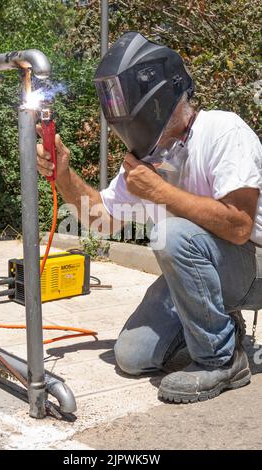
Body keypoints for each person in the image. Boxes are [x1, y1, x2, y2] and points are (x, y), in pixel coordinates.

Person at [36, 32, 262, 403]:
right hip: (200, 268)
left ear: (163, 98)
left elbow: (239, 226)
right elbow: (102, 219)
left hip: (254, 266)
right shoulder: (149, 158)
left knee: (170, 234)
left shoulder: (224, 131)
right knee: (132, 356)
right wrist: (63, 174)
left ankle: (220, 360)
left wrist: (157, 191)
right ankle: (222, 325)